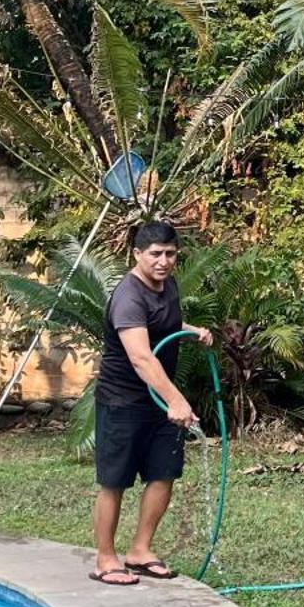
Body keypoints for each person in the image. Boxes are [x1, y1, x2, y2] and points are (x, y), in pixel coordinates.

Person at [91, 220, 213, 586]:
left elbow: (163, 321)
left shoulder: (167, 284)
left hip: (158, 400)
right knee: (115, 481)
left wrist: (191, 330)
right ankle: (106, 558)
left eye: (170, 254)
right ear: (137, 254)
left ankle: (141, 550)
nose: (163, 261)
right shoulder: (128, 296)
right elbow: (142, 357)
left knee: (163, 474)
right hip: (123, 400)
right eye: (155, 254)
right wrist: (177, 400)